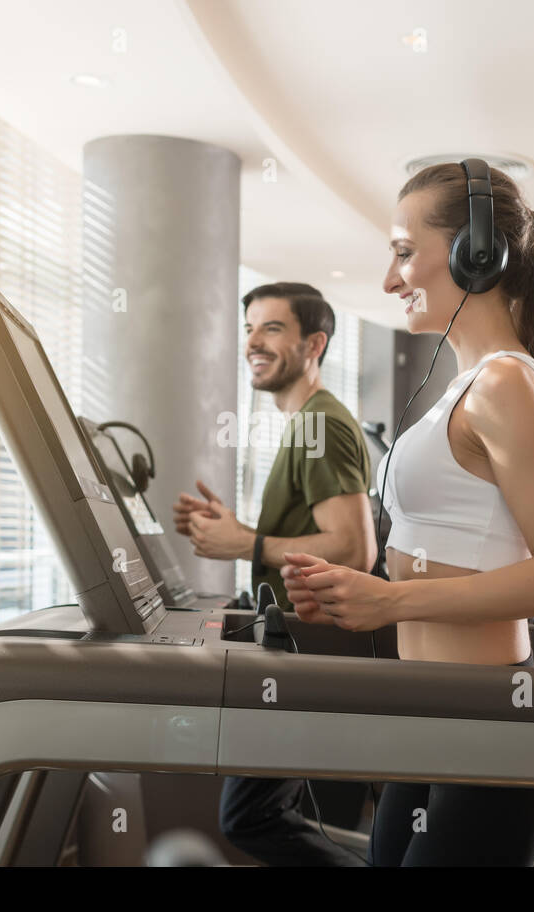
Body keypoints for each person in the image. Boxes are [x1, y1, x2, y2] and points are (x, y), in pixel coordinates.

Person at [280, 162, 534, 866]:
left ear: (476, 254)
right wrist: (349, 594)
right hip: (433, 720)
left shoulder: (505, 382)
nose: (391, 279)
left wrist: (391, 599)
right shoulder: (467, 384)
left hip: (487, 729)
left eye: (403, 252)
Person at [172, 281, 377, 866]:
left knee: (251, 816)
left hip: (308, 645)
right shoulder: (306, 423)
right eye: (248, 329)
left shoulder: (322, 425)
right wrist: (236, 530)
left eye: (272, 329)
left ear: (315, 343)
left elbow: (353, 550)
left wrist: (247, 542)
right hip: (288, 643)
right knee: (256, 815)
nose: (253, 343)